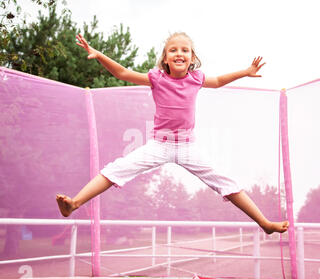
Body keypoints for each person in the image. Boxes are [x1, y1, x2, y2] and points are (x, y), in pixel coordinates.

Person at [56, 32, 289, 235]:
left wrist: (246, 71)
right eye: (173, 50)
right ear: (165, 59)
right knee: (118, 169)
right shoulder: (157, 78)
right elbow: (122, 73)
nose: (180, 53)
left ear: (192, 58)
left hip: (187, 147)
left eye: (185, 50)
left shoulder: (196, 78)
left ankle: (265, 224)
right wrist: (99, 55)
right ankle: (74, 203)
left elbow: (218, 81)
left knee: (224, 182)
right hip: (159, 145)